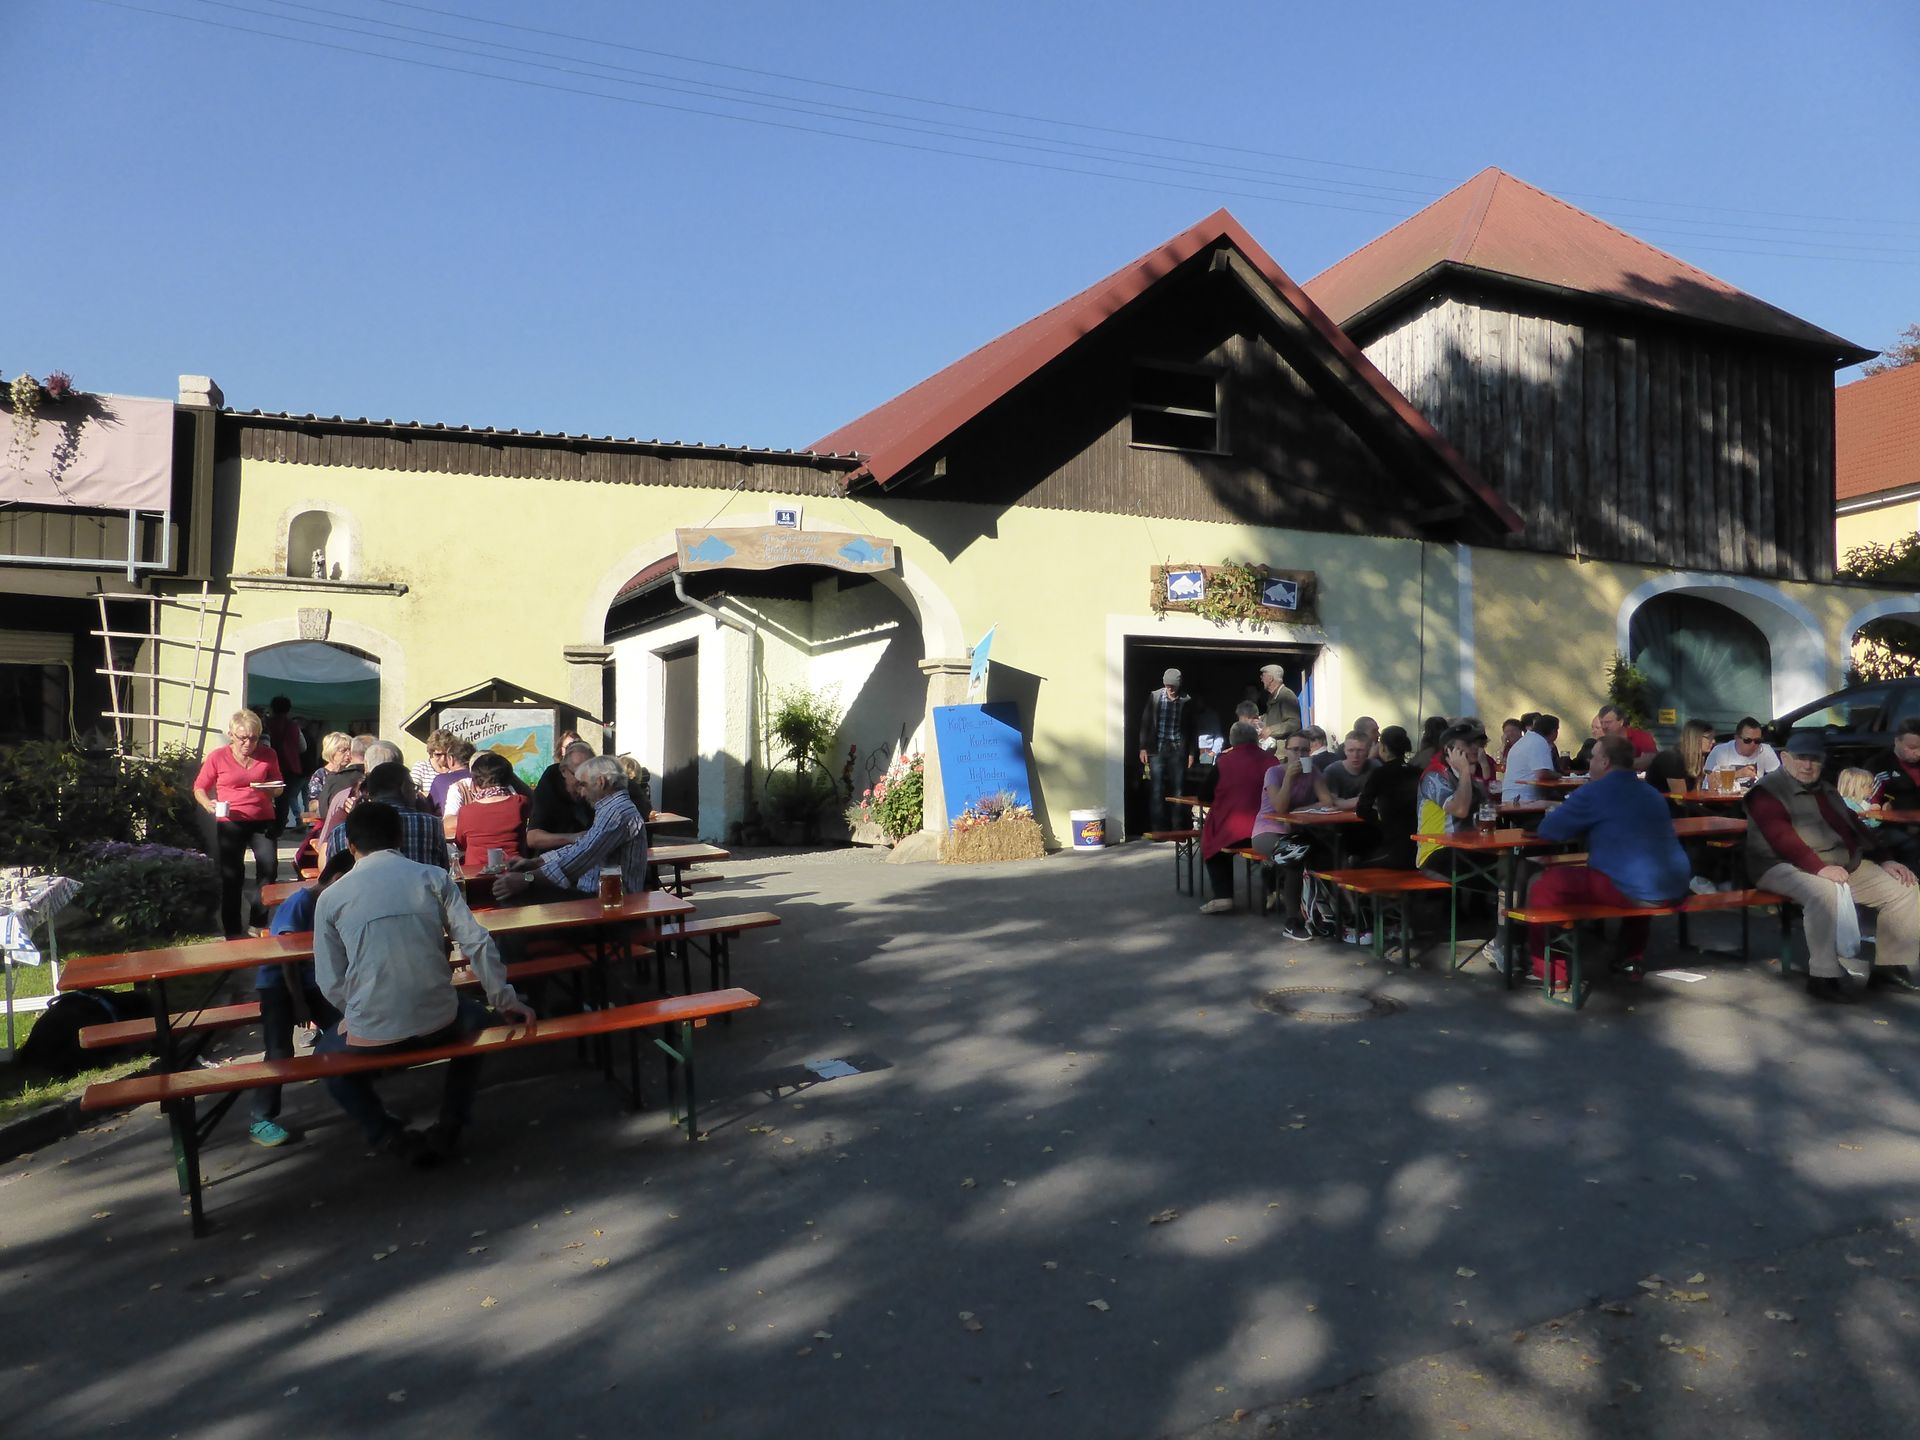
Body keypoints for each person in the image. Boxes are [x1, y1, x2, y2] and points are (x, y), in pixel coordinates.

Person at [313, 802, 535, 1162]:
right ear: (399, 838)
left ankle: (385, 1134)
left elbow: (328, 978)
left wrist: (355, 1013)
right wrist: (505, 999)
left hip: (372, 1032)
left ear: (351, 847)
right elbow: (477, 942)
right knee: (479, 1020)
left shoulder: (331, 897)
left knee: (325, 1059)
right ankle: (451, 1123)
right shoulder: (433, 878)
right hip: (439, 1022)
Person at [1746, 732, 1920, 1003]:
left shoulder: (1825, 789)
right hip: (1779, 865)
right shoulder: (1765, 792)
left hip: (1838, 863)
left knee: (1904, 887)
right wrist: (1818, 868)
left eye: (1814, 759)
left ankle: (1889, 969)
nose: (1807, 765)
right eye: (1801, 758)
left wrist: (1885, 858)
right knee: (1823, 891)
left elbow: (1855, 825)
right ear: (1785, 758)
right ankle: (1824, 976)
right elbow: (1780, 837)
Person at [1526, 735, 1693, 985]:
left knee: (1543, 884)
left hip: (1633, 888)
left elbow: (1549, 830)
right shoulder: (1651, 792)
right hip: (1674, 884)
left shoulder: (1594, 792)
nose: (1589, 762)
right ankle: (1629, 958)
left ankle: (1551, 973)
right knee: (1638, 878)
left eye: (1593, 757)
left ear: (1605, 761)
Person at [247, 850, 353, 1147]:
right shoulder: (301, 903)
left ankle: (359, 1098)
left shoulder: (333, 904)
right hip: (278, 985)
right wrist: (298, 1002)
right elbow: (287, 958)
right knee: (280, 1050)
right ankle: (261, 1117)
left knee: (347, 1030)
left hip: (312, 983)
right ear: (337, 879)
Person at [492, 755, 650, 901]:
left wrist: (527, 879)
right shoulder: (613, 809)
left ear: (601, 782)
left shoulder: (616, 813)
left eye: (583, 785)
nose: (581, 792)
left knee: (517, 899)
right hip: (598, 898)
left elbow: (580, 858)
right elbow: (580, 848)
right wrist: (536, 862)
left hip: (609, 902)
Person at [194, 709, 285, 938]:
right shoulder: (218, 757)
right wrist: (207, 804)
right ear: (231, 735)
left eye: (253, 738)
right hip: (231, 820)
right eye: (242, 738)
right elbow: (199, 787)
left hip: (262, 819)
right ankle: (233, 930)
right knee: (232, 875)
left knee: (269, 868)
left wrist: (271, 790)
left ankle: (258, 921)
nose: (248, 743)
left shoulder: (268, 754)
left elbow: (279, 786)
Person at [1197, 723, 1272, 915]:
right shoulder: (1271, 760)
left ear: (1232, 740)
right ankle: (1274, 890)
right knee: (1271, 852)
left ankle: (1223, 895)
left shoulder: (1224, 762)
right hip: (1265, 828)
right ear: (1255, 739)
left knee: (1212, 844)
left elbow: (1204, 795)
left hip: (1232, 829)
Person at [325, 761, 451, 868]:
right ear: (404, 788)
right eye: (413, 787)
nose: (415, 794)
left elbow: (332, 878)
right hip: (421, 889)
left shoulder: (339, 832)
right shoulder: (431, 824)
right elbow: (444, 869)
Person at [1416, 723, 1490, 875]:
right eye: (1468, 743)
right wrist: (1464, 771)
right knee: (1487, 872)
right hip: (1437, 851)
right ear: (1449, 750)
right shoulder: (1434, 777)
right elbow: (1460, 810)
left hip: (1468, 850)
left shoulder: (1474, 782)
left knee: (1515, 866)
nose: (1475, 747)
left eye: (1477, 742)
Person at [1136, 668, 1198, 833]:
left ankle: (1177, 828)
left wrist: (1191, 753)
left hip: (1178, 750)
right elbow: (1145, 723)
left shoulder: (1186, 700)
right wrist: (1143, 748)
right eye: (1167, 685)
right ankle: (1158, 829)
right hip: (1157, 749)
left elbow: (1192, 729)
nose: (1170, 688)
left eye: (1173, 685)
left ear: (1179, 684)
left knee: (1178, 790)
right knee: (1156, 789)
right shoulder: (1155, 697)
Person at [317, 739, 405, 850]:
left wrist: (354, 816)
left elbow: (325, 851)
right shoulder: (423, 818)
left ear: (366, 766)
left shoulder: (345, 799)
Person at [1357, 725, 1421, 868]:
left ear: (1384, 748)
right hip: (1419, 846)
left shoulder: (1380, 773)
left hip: (1393, 846)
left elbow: (1362, 809)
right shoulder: (1417, 772)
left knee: (1356, 865)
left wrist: (1380, 818)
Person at [454, 751, 533, 862]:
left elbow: (461, 844)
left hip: (475, 870)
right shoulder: (521, 803)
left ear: (475, 781)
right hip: (513, 867)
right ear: (509, 779)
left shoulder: (466, 811)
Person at [529, 739, 596, 850]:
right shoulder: (551, 782)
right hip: (553, 855)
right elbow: (533, 838)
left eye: (590, 775)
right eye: (578, 774)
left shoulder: (599, 786)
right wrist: (574, 838)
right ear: (564, 771)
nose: (585, 780)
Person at [263, 695, 307, 831]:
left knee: (265, 796)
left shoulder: (266, 724)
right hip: (290, 767)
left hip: (268, 766)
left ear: (272, 708)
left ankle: (268, 824)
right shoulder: (294, 726)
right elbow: (303, 747)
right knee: (284, 799)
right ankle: (279, 827)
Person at [1644, 719, 1716, 797]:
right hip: (1660, 803)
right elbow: (1681, 797)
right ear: (1695, 738)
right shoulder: (1672, 759)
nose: (1713, 741)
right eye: (1709, 737)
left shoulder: (1702, 758)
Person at [1502, 714, 1560, 805]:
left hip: (1510, 797)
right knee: (1564, 806)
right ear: (1554, 732)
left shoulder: (1526, 740)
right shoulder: (1539, 741)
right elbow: (1542, 773)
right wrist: (1560, 776)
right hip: (1524, 799)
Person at [1704, 717, 1781, 784]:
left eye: (1757, 741)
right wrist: (1738, 774)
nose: (1753, 744)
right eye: (1747, 740)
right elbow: (1709, 781)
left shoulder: (1765, 750)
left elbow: (1779, 779)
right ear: (1736, 738)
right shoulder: (1720, 751)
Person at [316, 732, 377, 816]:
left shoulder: (360, 773)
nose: (348, 754)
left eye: (349, 750)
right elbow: (315, 805)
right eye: (343, 751)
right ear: (331, 752)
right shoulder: (322, 775)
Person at [1316, 731, 1378, 810]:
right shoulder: (1332, 771)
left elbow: (1381, 797)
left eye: (1360, 750)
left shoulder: (1375, 767)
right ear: (1344, 750)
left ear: (1368, 751)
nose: (1355, 755)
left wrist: (1345, 803)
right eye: (1351, 750)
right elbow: (1330, 803)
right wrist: (1364, 800)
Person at [1595, 705, 1658, 770]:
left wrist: (1613, 765)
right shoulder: (1601, 741)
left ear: (1621, 722)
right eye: (1601, 723)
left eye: (1608, 722)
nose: (1604, 726)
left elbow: (1650, 760)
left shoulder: (1641, 736)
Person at [427, 737, 476, 814]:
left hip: (450, 820)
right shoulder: (482, 777)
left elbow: (429, 809)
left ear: (451, 759)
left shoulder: (440, 780)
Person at [410, 728, 458, 802]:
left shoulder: (456, 767)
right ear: (431, 752)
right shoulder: (421, 767)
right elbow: (411, 791)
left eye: (446, 754)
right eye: (438, 755)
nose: (443, 759)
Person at [1258, 664, 1301, 742]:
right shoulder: (1273, 696)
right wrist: (1259, 719)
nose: (1261, 679)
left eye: (1263, 676)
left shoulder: (1286, 695)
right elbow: (1274, 717)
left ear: (1270, 679)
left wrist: (1271, 730)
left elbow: (1294, 723)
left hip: (1284, 748)